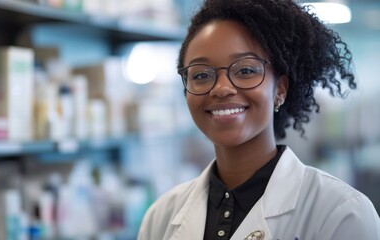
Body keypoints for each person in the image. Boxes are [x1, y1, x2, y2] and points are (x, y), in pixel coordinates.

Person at [138, 0, 380, 239]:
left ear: (280, 90)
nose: (221, 88)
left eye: (245, 70)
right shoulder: (161, 217)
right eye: (201, 74)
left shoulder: (341, 213)